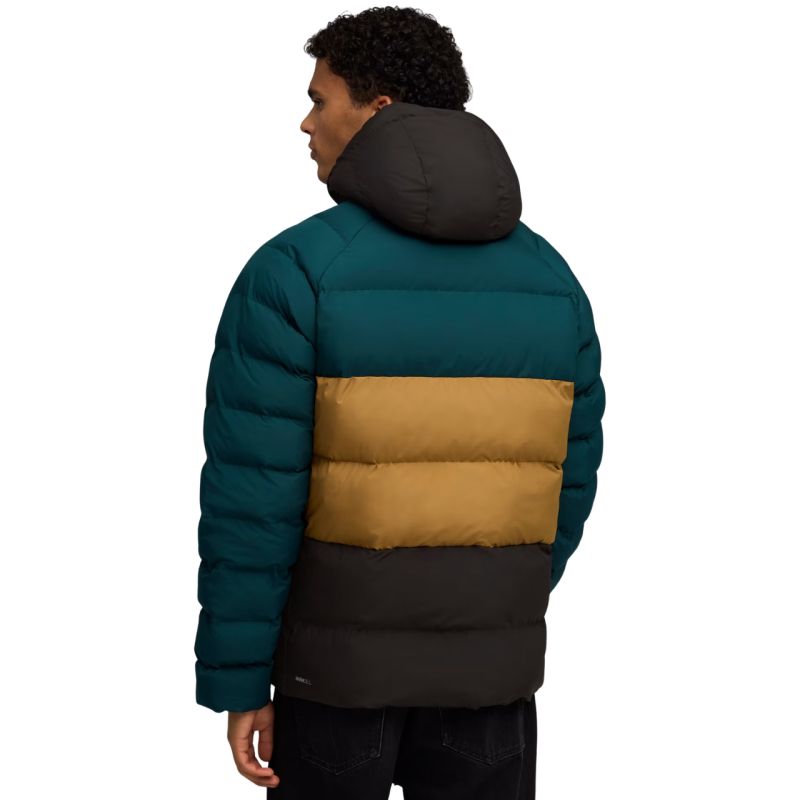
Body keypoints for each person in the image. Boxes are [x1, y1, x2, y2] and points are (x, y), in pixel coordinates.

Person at [193, 7, 605, 799]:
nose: (305, 123)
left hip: (334, 686)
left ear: (377, 110)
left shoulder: (297, 272)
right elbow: (569, 483)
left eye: (319, 100)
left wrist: (239, 678)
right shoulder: (552, 281)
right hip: (490, 683)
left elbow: (254, 502)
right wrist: (487, 604)